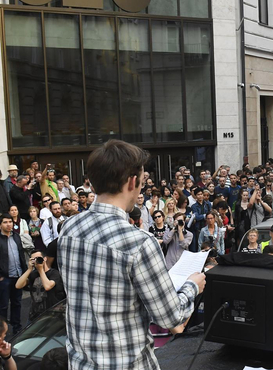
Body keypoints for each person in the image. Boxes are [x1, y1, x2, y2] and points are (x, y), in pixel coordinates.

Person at [57, 140, 205, 370]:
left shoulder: (69, 228)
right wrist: (192, 286)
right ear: (133, 182)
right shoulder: (139, 243)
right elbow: (171, 318)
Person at [0, 214, 27, 335]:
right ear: (0, 224)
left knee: (17, 303)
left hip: (18, 276)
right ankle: (1, 330)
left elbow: (21, 256)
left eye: (10, 222)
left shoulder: (17, 237)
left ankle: (17, 327)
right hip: (3, 278)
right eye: (5, 222)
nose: (9, 224)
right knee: (2, 306)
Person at [15, 250, 65, 321]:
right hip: (35, 314)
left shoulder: (54, 273)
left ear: (45, 258)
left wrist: (40, 269)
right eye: (34, 259)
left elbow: (47, 287)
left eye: (38, 258)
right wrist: (29, 269)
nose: (37, 261)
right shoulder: (33, 274)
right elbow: (18, 285)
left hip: (52, 314)